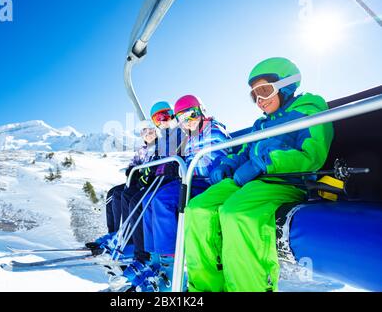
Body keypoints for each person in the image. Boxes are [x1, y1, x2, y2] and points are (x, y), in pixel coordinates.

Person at [184, 57, 334, 292]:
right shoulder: (261, 125)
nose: (259, 100)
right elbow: (244, 151)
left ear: (286, 85)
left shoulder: (309, 111)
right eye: (254, 95)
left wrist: (264, 163)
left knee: (236, 213)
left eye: (264, 91)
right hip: (252, 181)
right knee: (198, 208)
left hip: (286, 180)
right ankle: (205, 288)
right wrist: (229, 165)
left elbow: (311, 155)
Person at [122, 94, 232, 291]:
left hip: (206, 183)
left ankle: (172, 264)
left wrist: (183, 168)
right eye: (182, 118)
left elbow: (213, 164)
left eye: (191, 115)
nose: (187, 122)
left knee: (163, 200)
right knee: (148, 201)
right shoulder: (191, 137)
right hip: (190, 180)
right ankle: (154, 259)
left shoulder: (213, 131)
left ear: (201, 111)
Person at [85, 120, 159, 252]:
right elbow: (134, 163)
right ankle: (113, 232)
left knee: (124, 195)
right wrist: (131, 170)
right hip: (138, 180)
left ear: (156, 131)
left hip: (148, 182)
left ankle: (127, 234)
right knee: (112, 193)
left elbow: (155, 166)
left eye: (150, 131)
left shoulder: (159, 147)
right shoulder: (142, 150)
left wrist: (141, 174)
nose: (148, 134)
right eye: (144, 132)